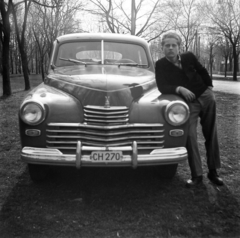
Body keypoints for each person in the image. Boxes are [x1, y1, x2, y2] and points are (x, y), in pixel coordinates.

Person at [155, 32, 223, 188]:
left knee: (211, 133)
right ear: (162, 47)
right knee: (190, 136)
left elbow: (202, 70)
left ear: (179, 47)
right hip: (188, 103)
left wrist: (209, 88)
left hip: (206, 97)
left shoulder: (188, 57)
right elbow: (162, 87)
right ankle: (196, 175)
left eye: (174, 45)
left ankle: (213, 172)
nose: (171, 48)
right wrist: (179, 89)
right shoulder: (160, 65)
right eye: (167, 45)